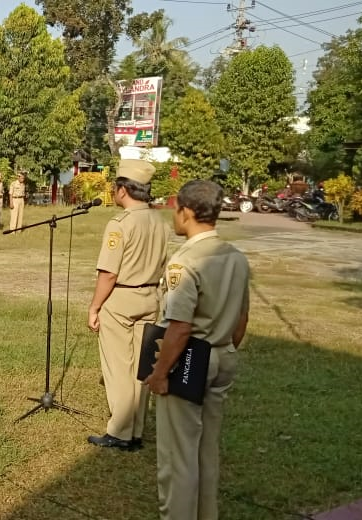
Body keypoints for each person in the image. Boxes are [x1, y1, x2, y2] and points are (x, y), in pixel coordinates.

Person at [145, 180, 250, 520]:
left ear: (186, 212)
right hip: (222, 356)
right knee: (206, 450)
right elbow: (241, 317)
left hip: (190, 359)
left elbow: (180, 326)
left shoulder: (185, 261)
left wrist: (160, 373)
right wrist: (224, 348)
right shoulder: (235, 256)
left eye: (175, 209)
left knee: (178, 456)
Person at [87, 159, 169, 451]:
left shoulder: (120, 224)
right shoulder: (160, 221)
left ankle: (120, 431)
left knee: (119, 366)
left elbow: (108, 273)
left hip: (121, 297)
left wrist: (95, 307)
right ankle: (135, 429)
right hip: (150, 296)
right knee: (141, 367)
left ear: (123, 190)